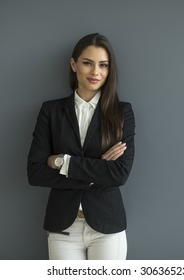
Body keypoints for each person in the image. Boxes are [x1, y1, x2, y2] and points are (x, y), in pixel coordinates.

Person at [27, 33, 135, 260]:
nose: (96, 72)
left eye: (103, 65)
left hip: (107, 228)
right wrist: (98, 169)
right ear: (74, 64)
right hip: (63, 227)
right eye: (88, 63)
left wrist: (62, 162)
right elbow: (35, 173)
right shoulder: (51, 111)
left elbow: (119, 174)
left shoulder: (121, 113)